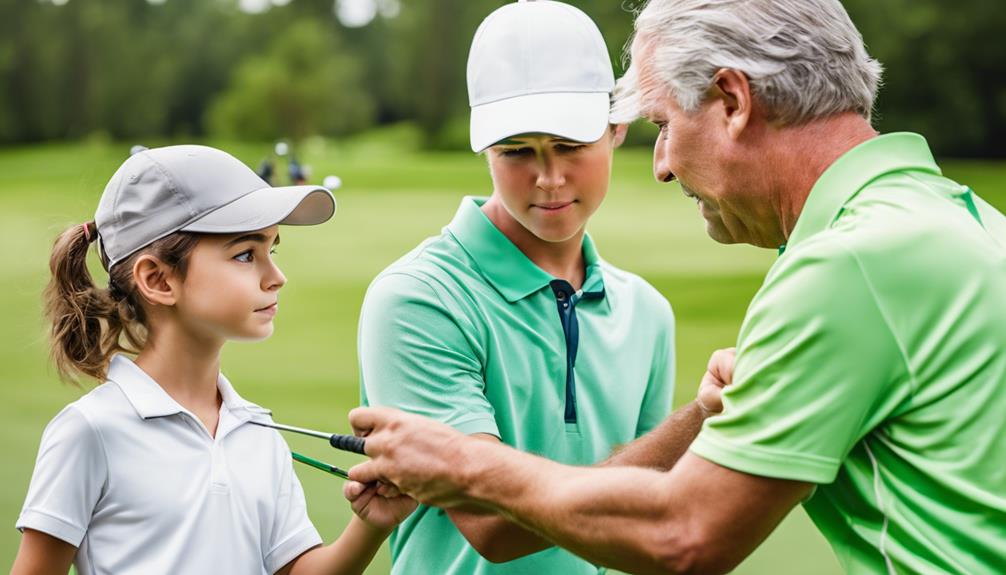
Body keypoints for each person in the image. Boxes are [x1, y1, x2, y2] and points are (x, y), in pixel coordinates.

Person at [347, 0, 1006, 573]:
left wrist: (463, 465)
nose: (660, 165)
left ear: (732, 100)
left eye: (662, 124)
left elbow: (682, 535)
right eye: (518, 149)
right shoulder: (967, 220)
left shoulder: (846, 263)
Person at [356, 1, 687, 573]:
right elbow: (492, 523)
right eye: (516, 152)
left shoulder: (647, 312)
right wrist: (701, 419)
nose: (549, 178)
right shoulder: (417, 299)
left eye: (569, 145)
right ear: (485, 148)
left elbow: (649, 522)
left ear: (616, 130)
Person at [12, 145, 415, 575]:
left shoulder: (257, 430)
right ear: (158, 279)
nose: (276, 276)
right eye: (245, 254)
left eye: (271, 251)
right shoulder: (90, 431)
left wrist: (371, 526)